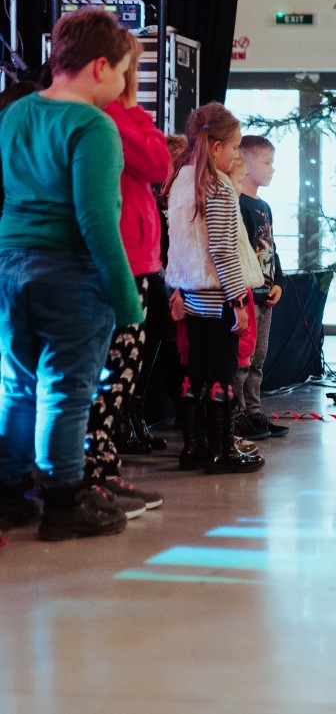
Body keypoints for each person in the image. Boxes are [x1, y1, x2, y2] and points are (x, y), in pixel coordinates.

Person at [0, 8, 139, 540]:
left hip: (10, 266)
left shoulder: (16, 113)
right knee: (66, 389)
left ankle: (9, 495)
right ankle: (63, 502)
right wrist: (126, 299)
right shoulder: (93, 126)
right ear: (100, 66)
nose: (123, 84)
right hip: (69, 273)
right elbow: (97, 218)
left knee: (17, 386)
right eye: (123, 71)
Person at [80, 30, 172, 515]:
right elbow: (158, 163)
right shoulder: (110, 119)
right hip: (120, 261)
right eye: (127, 69)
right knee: (111, 375)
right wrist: (133, 107)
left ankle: (104, 467)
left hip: (133, 259)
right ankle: (91, 475)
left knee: (119, 376)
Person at [163, 102, 265, 473]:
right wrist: (238, 300)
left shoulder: (181, 180)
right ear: (217, 146)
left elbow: (180, 244)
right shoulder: (217, 185)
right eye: (235, 146)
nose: (237, 154)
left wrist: (177, 289)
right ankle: (222, 450)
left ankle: (194, 447)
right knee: (223, 372)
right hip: (218, 297)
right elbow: (221, 249)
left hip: (191, 295)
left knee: (195, 370)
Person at [231, 135, 289, 441]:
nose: (273, 169)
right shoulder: (237, 203)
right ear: (247, 165)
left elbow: (270, 248)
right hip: (246, 295)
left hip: (265, 295)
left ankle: (254, 413)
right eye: (267, 162)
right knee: (243, 357)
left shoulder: (264, 206)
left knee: (259, 358)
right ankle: (236, 415)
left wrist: (278, 281)